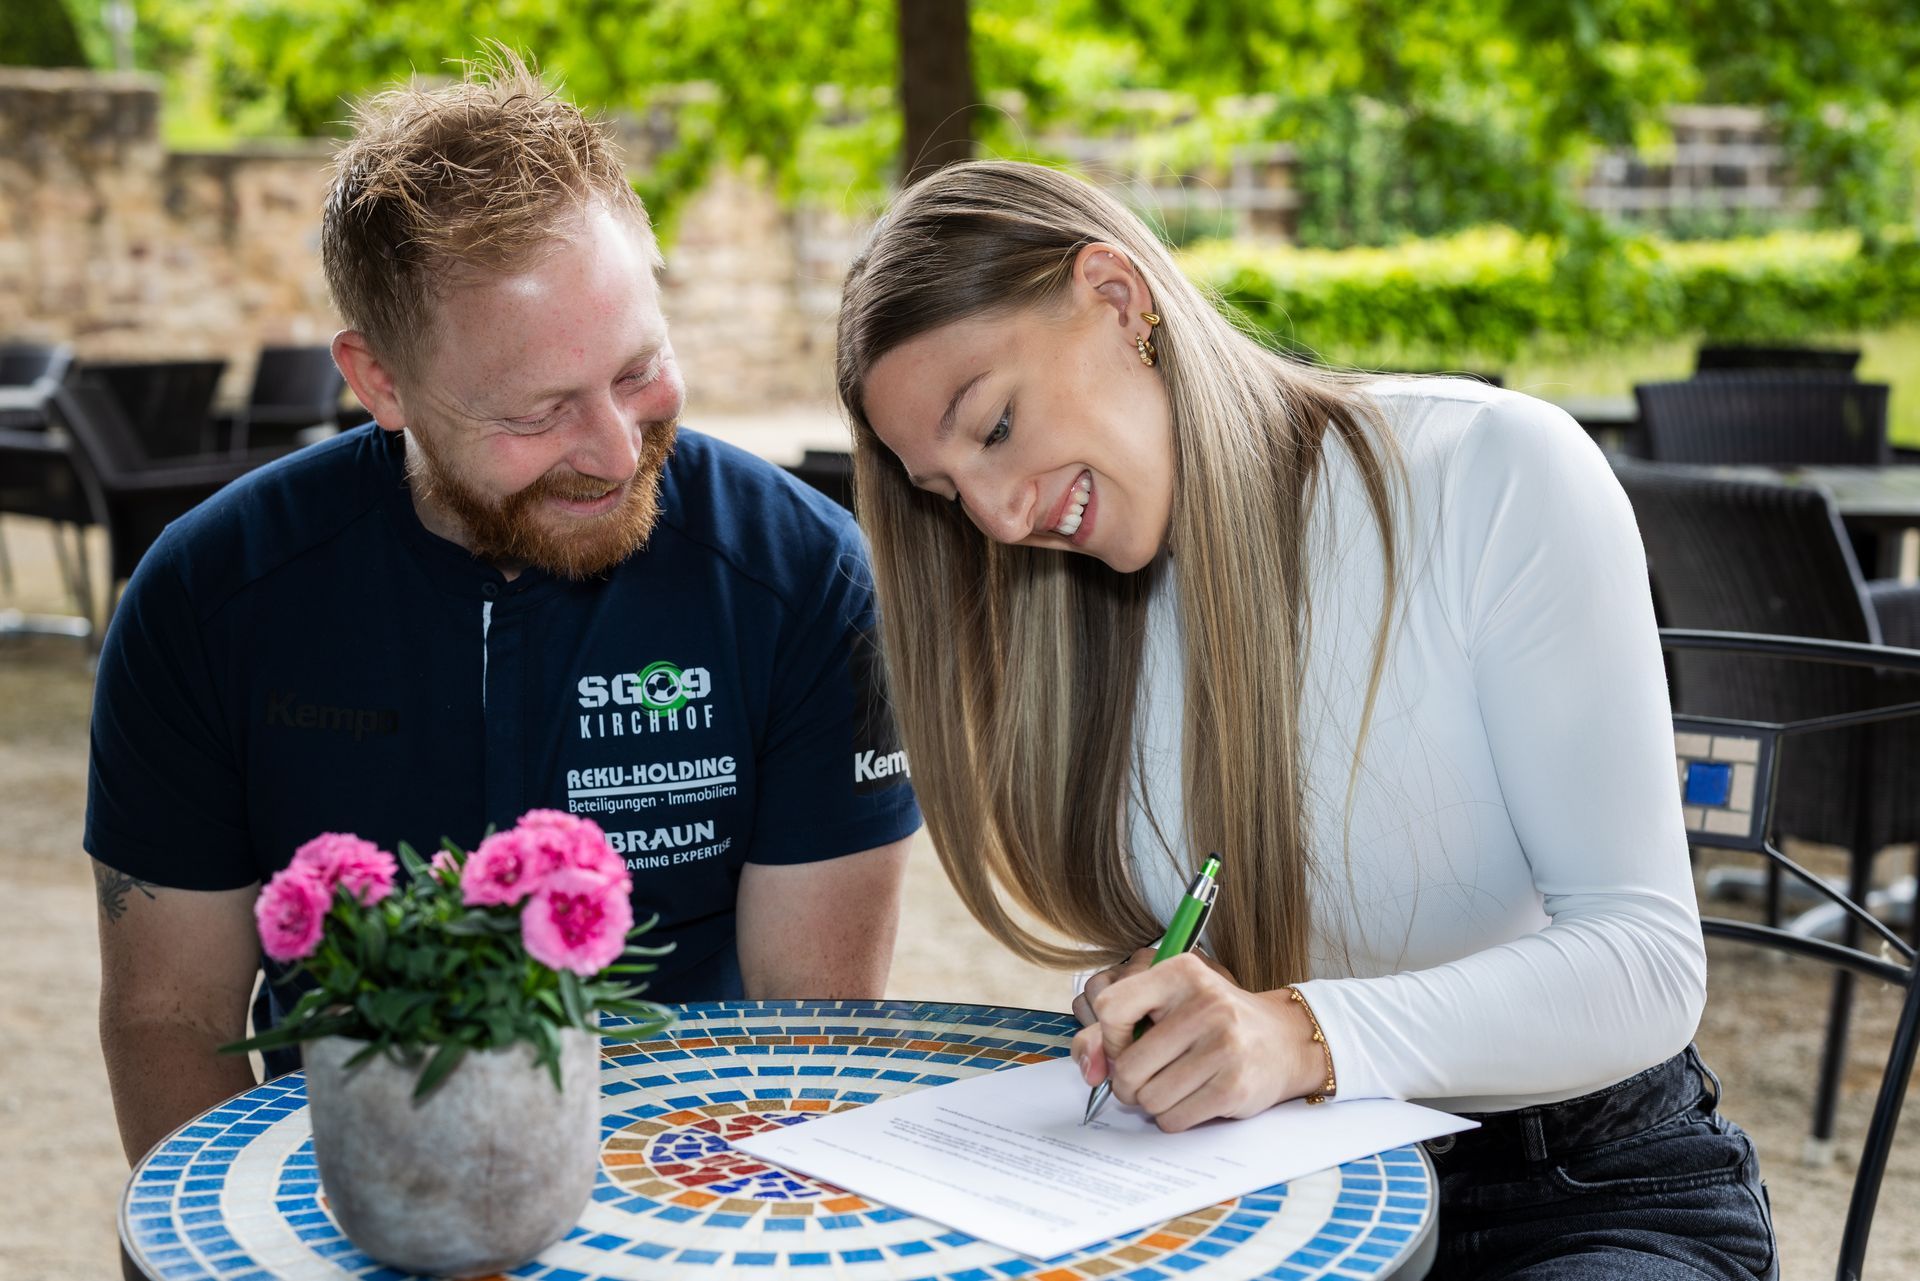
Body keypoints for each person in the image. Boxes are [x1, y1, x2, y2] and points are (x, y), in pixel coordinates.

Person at [834, 160, 1775, 1279]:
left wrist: (1295, 1035)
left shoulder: (1487, 470)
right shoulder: (1077, 613)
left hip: (1585, 1193)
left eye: (994, 427)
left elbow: (1647, 965)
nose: (996, 519)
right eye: (946, 495)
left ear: (1119, 302)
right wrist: (1170, 1009)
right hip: (1282, 1189)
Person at [85, 51, 920, 1166]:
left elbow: (812, 1033)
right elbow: (171, 1017)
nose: (614, 451)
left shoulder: (804, 578)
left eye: (639, 369)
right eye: (537, 413)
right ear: (379, 382)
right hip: (349, 1191)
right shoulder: (206, 598)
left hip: (693, 1180)